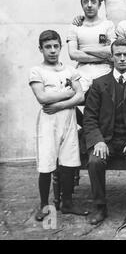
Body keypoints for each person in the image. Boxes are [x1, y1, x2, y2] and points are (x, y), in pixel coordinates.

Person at [83, 39, 126, 228]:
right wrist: (97, 141)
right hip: (106, 140)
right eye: (118, 55)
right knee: (95, 160)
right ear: (112, 57)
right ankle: (100, 206)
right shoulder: (98, 84)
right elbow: (89, 117)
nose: (122, 59)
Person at [29, 30, 88, 221]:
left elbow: (81, 95)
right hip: (48, 121)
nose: (52, 51)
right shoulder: (37, 71)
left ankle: (67, 202)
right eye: (48, 47)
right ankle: (45, 205)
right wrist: (68, 92)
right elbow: (42, 97)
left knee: (69, 162)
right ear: (41, 49)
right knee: (47, 163)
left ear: (60, 47)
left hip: (68, 118)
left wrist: (60, 104)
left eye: (56, 46)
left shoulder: (70, 70)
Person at [67, 0, 114, 94]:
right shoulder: (75, 26)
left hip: (104, 70)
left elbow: (111, 51)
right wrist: (102, 55)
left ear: (99, 5)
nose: (89, 5)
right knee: (69, 96)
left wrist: (86, 49)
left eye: (93, 1)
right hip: (82, 71)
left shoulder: (108, 25)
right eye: (85, 2)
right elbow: (73, 54)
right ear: (81, 5)